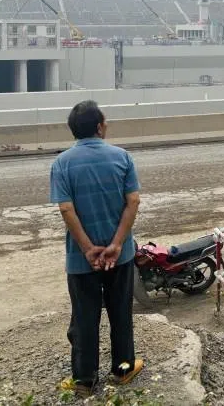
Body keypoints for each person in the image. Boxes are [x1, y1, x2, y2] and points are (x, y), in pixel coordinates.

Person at [51, 100, 143, 397]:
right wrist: (116, 244)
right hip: (121, 255)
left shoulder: (62, 164)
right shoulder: (122, 157)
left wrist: (88, 248)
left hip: (81, 259)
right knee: (120, 312)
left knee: (84, 316)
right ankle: (123, 369)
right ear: (100, 127)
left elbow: (66, 208)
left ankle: (84, 380)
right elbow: (133, 201)